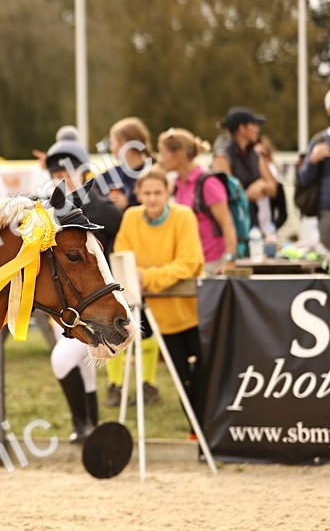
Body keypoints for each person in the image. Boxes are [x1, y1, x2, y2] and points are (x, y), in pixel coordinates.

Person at [41, 131, 123, 442]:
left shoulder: (102, 210)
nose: (60, 179)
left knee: (63, 360)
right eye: (56, 175)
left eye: (67, 173)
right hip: (72, 303)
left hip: (104, 301)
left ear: (85, 173)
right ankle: (90, 425)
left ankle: (81, 424)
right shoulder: (51, 211)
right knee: (85, 364)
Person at [110, 166, 204, 414]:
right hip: (159, 316)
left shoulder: (183, 216)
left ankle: (206, 434)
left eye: (158, 192)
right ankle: (195, 432)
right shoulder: (130, 217)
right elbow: (122, 258)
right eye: (147, 193)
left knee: (205, 376)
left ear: (168, 192)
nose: (152, 198)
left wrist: (146, 276)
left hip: (193, 312)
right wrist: (142, 276)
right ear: (138, 193)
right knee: (182, 379)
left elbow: (189, 263)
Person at [157, 127, 237, 276]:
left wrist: (229, 261)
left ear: (179, 154)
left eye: (163, 153)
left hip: (211, 264)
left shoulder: (208, 183)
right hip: (190, 262)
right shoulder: (176, 184)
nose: (160, 159)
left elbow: (227, 224)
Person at [297, 85, 330, 252]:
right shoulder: (319, 140)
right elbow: (303, 179)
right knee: (329, 265)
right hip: (328, 213)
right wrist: (313, 160)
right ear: (329, 111)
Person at [212, 107, 278, 241]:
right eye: (253, 124)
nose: (257, 129)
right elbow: (226, 196)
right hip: (233, 229)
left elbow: (273, 188)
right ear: (242, 128)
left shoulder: (255, 154)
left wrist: (261, 186)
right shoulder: (222, 157)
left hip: (254, 226)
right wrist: (247, 194)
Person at [96, 117, 154, 211]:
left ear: (124, 142)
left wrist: (128, 205)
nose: (111, 148)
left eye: (112, 143)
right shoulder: (109, 175)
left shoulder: (151, 173)